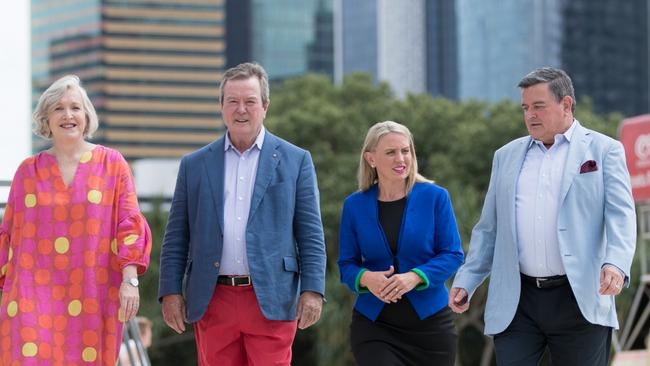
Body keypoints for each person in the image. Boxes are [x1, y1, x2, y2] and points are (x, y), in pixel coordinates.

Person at [449, 67, 636, 365]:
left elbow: (621, 217)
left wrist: (615, 263)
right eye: (525, 108)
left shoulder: (604, 150)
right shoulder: (506, 156)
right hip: (517, 300)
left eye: (539, 106)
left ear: (566, 105)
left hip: (580, 298)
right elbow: (489, 229)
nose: (530, 115)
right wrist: (468, 279)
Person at [158, 62, 327, 365]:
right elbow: (176, 236)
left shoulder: (296, 160)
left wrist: (313, 290)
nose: (241, 110)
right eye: (232, 101)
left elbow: (311, 233)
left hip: (272, 296)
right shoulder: (194, 165)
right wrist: (170, 292)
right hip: (213, 298)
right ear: (221, 107)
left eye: (250, 101)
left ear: (265, 106)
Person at [0, 75, 152, 365]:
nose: (68, 115)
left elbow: (129, 223)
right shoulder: (27, 171)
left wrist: (130, 280)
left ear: (87, 116)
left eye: (75, 107)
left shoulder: (113, 164)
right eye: (58, 108)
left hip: (94, 292)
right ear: (46, 117)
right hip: (32, 296)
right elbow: (8, 234)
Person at [338, 121, 464, 366]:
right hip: (375, 326)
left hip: (431, 327)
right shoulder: (354, 205)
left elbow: (452, 254)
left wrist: (415, 277)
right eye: (391, 152)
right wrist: (366, 278)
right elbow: (346, 264)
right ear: (371, 158)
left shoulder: (435, 197)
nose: (401, 159)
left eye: (405, 151)